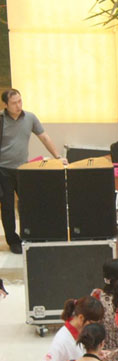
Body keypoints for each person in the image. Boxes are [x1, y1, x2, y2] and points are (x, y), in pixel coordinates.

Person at [0, 88, 67, 253]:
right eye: (14, 103)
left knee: (28, 203)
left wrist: (58, 156)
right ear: (5, 105)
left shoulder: (30, 118)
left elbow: (44, 137)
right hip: (3, 170)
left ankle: (30, 234)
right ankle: (13, 241)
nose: (18, 105)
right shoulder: (1, 120)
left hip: (23, 169)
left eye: (20, 101)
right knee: (7, 206)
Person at [39, 296, 104, 361]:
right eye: (92, 323)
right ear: (81, 318)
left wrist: (95, 354)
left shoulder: (81, 332)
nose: (95, 327)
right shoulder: (62, 339)